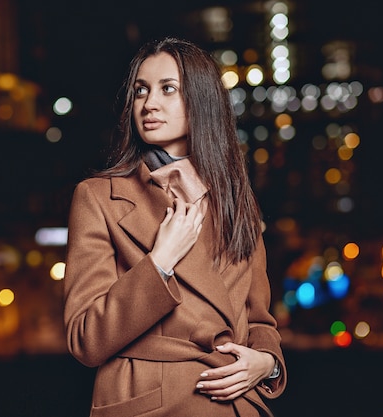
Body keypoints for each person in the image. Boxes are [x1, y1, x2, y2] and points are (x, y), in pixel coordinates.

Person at [63, 36, 287, 417]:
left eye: (168, 89)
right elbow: (85, 338)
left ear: (201, 102)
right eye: (140, 91)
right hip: (152, 403)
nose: (149, 104)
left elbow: (258, 320)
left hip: (234, 403)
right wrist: (160, 261)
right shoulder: (99, 197)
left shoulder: (236, 199)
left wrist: (268, 363)